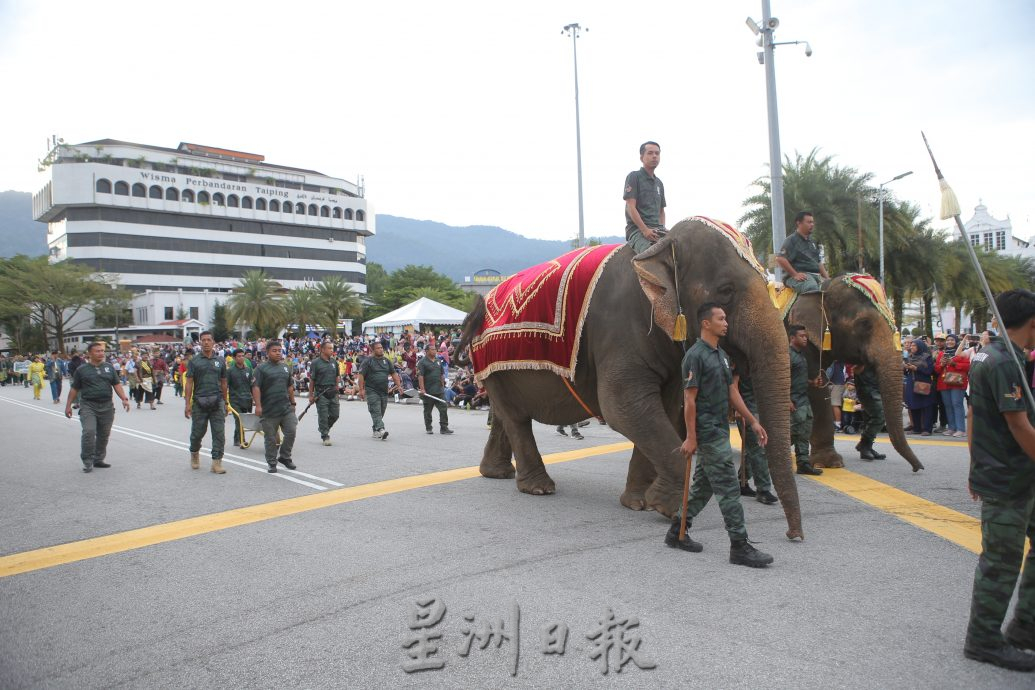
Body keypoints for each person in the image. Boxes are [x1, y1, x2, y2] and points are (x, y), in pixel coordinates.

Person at [664, 302, 774, 568]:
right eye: (721, 319)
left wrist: (753, 421)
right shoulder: (695, 356)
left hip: (721, 430)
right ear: (706, 323)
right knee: (728, 488)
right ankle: (739, 545)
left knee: (702, 487)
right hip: (707, 433)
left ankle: (677, 531)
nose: (726, 323)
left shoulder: (721, 355)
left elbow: (731, 392)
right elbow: (689, 401)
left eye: (726, 319)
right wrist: (691, 437)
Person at [962, 289, 1035, 672]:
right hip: (1009, 478)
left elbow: (974, 414)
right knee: (1002, 561)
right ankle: (984, 639)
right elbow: (1019, 425)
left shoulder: (988, 355)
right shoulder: (1006, 362)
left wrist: (976, 463)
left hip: (1011, 473)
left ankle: (1025, 626)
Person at [65, 342, 131, 472]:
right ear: (89, 353)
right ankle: (87, 460)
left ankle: (98, 459)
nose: (101, 353)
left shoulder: (109, 367)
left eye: (102, 351)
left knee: (104, 434)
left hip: (106, 406)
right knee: (89, 432)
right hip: (89, 405)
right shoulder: (82, 370)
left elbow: (116, 384)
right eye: (97, 351)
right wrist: (68, 406)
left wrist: (124, 398)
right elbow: (74, 389)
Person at [733, 365, 778, 504]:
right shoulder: (740, 362)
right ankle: (763, 489)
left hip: (758, 409)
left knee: (751, 450)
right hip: (746, 411)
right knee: (758, 448)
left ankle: (742, 482)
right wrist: (738, 409)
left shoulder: (759, 361)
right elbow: (733, 386)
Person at [184, 331, 228, 474]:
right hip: (199, 402)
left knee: (219, 434)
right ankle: (194, 453)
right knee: (197, 433)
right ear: (200, 342)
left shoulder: (220, 361)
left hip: (217, 401)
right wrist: (187, 404)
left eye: (209, 340)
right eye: (204, 340)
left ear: (213, 342)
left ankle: (216, 463)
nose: (206, 342)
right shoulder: (194, 361)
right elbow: (189, 383)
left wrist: (226, 402)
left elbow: (224, 382)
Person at [252, 340, 298, 473]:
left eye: (279, 351)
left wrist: (293, 402)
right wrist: (258, 406)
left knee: (291, 432)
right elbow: (256, 387)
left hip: (285, 408)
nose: (278, 353)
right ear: (267, 353)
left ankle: (284, 456)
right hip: (269, 410)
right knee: (271, 438)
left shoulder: (285, 367)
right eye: (274, 351)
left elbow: (289, 386)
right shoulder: (261, 369)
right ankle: (272, 462)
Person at [789, 325, 823, 475]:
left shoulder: (800, 355)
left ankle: (803, 463)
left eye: (806, 336)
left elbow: (797, 378)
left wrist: (812, 382)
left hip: (803, 400)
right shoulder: (787, 355)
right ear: (792, 338)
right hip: (793, 402)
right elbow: (781, 379)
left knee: (804, 434)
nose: (805, 338)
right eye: (801, 336)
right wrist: (786, 399)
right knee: (789, 435)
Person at [623, 141, 666, 254]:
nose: (654, 156)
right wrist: (645, 230)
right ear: (642, 157)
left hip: (657, 230)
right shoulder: (634, 176)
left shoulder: (659, 183)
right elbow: (630, 206)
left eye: (657, 153)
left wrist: (662, 229)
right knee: (653, 255)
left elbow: (661, 211)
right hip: (637, 230)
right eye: (650, 153)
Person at [358, 341, 402, 440]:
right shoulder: (368, 361)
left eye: (381, 347)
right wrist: (361, 389)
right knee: (375, 410)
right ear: (373, 350)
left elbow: (394, 374)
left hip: (383, 391)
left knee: (381, 410)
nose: (381, 349)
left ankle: (375, 430)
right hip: (371, 390)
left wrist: (398, 385)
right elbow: (361, 376)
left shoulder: (386, 361)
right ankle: (381, 429)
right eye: (378, 348)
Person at [776, 211, 829, 294]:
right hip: (799, 277)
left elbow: (818, 262)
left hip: (816, 276)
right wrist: (795, 275)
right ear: (799, 223)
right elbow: (780, 259)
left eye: (812, 222)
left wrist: (828, 279)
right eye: (809, 222)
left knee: (834, 288)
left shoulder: (812, 241)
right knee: (811, 288)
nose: (812, 224)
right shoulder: (791, 240)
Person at [935, 334, 970, 438]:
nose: (950, 342)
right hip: (944, 383)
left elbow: (968, 366)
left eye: (952, 340)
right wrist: (941, 364)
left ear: (956, 341)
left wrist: (954, 363)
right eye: (948, 340)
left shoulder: (961, 353)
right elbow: (936, 369)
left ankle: (961, 429)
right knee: (948, 406)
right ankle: (951, 428)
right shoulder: (942, 353)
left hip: (957, 383)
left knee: (957, 404)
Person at [309, 340, 341, 446]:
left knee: (335, 415)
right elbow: (312, 380)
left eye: (332, 348)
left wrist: (337, 388)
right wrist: (311, 395)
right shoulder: (315, 363)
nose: (332, 350)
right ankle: (325, 436)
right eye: (329, 348)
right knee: (323, 415)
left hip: (332, 391)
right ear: (322, 349)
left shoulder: (334, 362)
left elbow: (337, 376)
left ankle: (323, 428)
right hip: (320, 393)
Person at [852, 363, 887, 461]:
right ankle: (864, 444)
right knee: (879, 416)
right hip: (867, 388)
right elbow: (855, 366)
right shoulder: (864, 350)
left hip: (874, 387)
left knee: (869, 418)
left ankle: (867, 446)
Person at [904, 339, 936, 436]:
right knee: (913, 405)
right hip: (911, 383)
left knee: (926, 406)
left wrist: (916, 368)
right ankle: (916, 428)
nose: (911, 347)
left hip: (923, 383)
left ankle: (927, 429)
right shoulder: (910, 357)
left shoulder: (927, 357)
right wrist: (905, 368)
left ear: (920, 347)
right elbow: (906, 373)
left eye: (914, 345)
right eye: (911, 345)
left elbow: (929, 371)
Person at [418, 348, 453, 435]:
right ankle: (429, 427)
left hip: (439, 391)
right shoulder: (422, 362)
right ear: (427, 351)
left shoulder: (438, 361)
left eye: (435, 349)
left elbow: (441, 374)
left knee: (443, 408)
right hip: (428, 392)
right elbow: (420, 376)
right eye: (432, 349)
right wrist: (422, 389)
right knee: (427, 411)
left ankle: (444, 427)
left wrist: (443, 386)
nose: (435, 351)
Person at [227, 349, 254, 447]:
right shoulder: (230, 371)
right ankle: (242, 440)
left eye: (243, 356)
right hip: (235, 399)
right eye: (239, 356)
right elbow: (225, 386)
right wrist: (225, 401)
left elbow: (252, 386)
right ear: (234, 358)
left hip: (246, 399)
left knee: (243, 419)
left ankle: (236, 439)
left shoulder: (248, 370)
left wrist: (254, 399)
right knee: (239, 419)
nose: (241, 358)